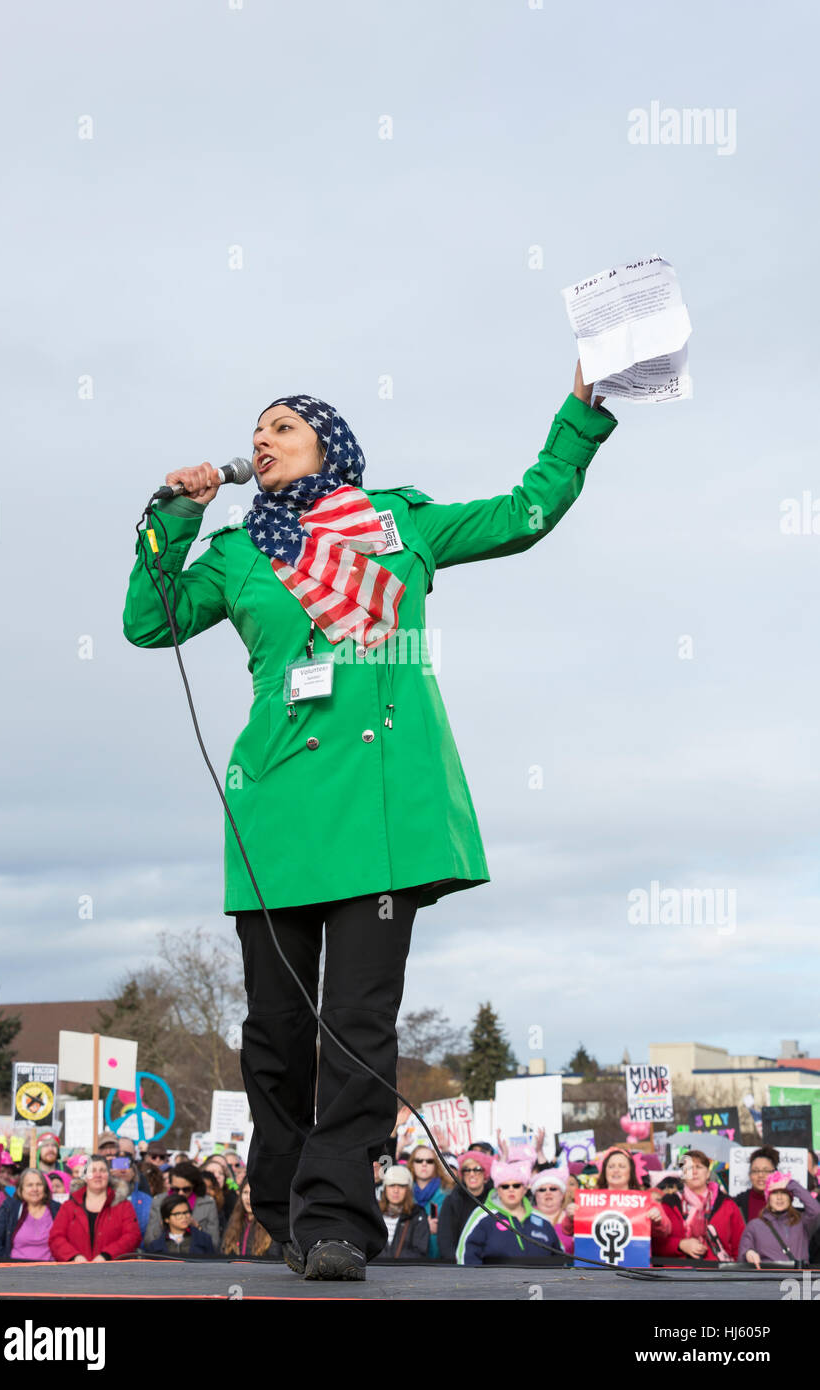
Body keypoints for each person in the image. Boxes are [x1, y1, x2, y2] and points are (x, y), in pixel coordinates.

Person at [123, 370, 618, 1280]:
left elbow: (527, 510)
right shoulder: (237, 551)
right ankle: (281, 1205)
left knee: (357, 1025)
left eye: (282, 425)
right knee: (274, 1031)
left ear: (329, 442)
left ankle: (337, 1219)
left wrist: (583, 411)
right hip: (276, 813)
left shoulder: (399, 523)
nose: (262, 439)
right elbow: (149, 622)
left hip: (381, 817)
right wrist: (175, 513)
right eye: (255, 430)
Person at [456, 1159, 563, 1266]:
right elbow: (465, 1255)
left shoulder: (542, 1220)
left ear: (525, 1189)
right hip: (493, 1282)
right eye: (505, 1186)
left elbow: (559, 1258)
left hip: (540, 1282)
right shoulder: (482, 1215)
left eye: (516, 1185)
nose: (511, 1189)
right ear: (498, 1190)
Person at [652, 1150, 745, 1261]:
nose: (694, 1172)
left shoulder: (727, 1204)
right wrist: (680, 1245)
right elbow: (656, 1245)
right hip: (679, 1274)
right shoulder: (670, 1203)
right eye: (689, 1168)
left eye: (699, 1167)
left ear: (708, 1174)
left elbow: (740, 1245)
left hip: (719, 1273)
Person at [48, 1156, 141, 1263]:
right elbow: (56, 1238)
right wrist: (74, 1256)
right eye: (92, 1171)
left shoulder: (124, 1206)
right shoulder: (68, 1207)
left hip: (113, 1271)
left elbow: (132, 1236)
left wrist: (107, 1255)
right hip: (74, 1272)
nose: (98, 1175)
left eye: (102, 1170)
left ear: (109, 1176)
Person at [739, 1171, 820, 1267]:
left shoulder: (802, 1222)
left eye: (784, 1193)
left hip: (797, 1280)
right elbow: (742, 1255)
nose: (779, 1197)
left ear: (790, 1198)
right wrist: (749, 1253)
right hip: (769, 1279)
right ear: (768, 1198)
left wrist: (791, 1185)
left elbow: (816, 1210)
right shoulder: (755, 1225)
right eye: (775, 1193)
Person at [0, 1169, 61, 1260]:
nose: (35, 1189)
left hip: (49, 1270)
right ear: (21, 1189)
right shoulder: (10, 1208)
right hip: (17, 1271)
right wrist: (5, 1267)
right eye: (29, 1185)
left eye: (39, 1184)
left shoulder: (56, 1209)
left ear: (45, 1188)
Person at [142, 1161, 220, 1248]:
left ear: (194, 1186)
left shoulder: (208, 1203)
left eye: (186, 1189)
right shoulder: (159, 1201)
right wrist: (162, 1227)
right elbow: (149, 1241)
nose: (180, 1193)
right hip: (166, 1256)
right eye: (176, 1189)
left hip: (196, 1257)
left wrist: (197, 1227)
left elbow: (214, 1243)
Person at [437, 1150, 494, 1261]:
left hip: (490, 1267)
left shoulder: (495, 1201)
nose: (472, 1173)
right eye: (467, 1170)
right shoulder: (451, 1201)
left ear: (485, 1174)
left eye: (477, 1169)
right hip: (459, 1267)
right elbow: (445, 1241)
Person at [372, 1166, 429, 1259]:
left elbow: (420, 1251)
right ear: (385, 1188)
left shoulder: (418, 1215)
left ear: (408, 1190)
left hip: (406, 1272)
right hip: (376, 1271)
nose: (396, 1190)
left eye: (401, 1186)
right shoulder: (374, 1213)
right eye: (391, 1185)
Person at [407, 1144, 451, 1258]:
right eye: (419, 1160)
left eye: (429, 1161)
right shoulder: (404, 1192)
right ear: (412, 1164)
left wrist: (440, 1227)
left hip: (439, 1259)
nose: (424, 1164)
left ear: (435, 1165)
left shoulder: (448, 1193)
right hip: (410, 1259)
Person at [222, 1178, 282, 1258]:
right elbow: (224, 1251)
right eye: (245, 1192)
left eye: (253, 1193)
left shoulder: (270, 1224)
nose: (248, 1197)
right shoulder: (233, 1221)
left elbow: (274, 1257)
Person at [144, 1192, 216, 1257]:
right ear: (166, 1219)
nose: (184, 1217)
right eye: (177, 1214)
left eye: (186, 1212)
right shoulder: (155, 1246)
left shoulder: (204, 1240)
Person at [529, 1165, 575, 1255]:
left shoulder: (572, 1217)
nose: (548, 1192)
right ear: (535, 1195)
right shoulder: (525, 1216)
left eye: (553, 1189)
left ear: (562, 1194)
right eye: (542, 1190)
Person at [733, 1146, 780, 1225]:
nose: (760, 1175)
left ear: (775, 1174)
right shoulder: (738, 1203)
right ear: (750, 1175)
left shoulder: (783, 1200)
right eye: (755, 1171)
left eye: (766, 1171)